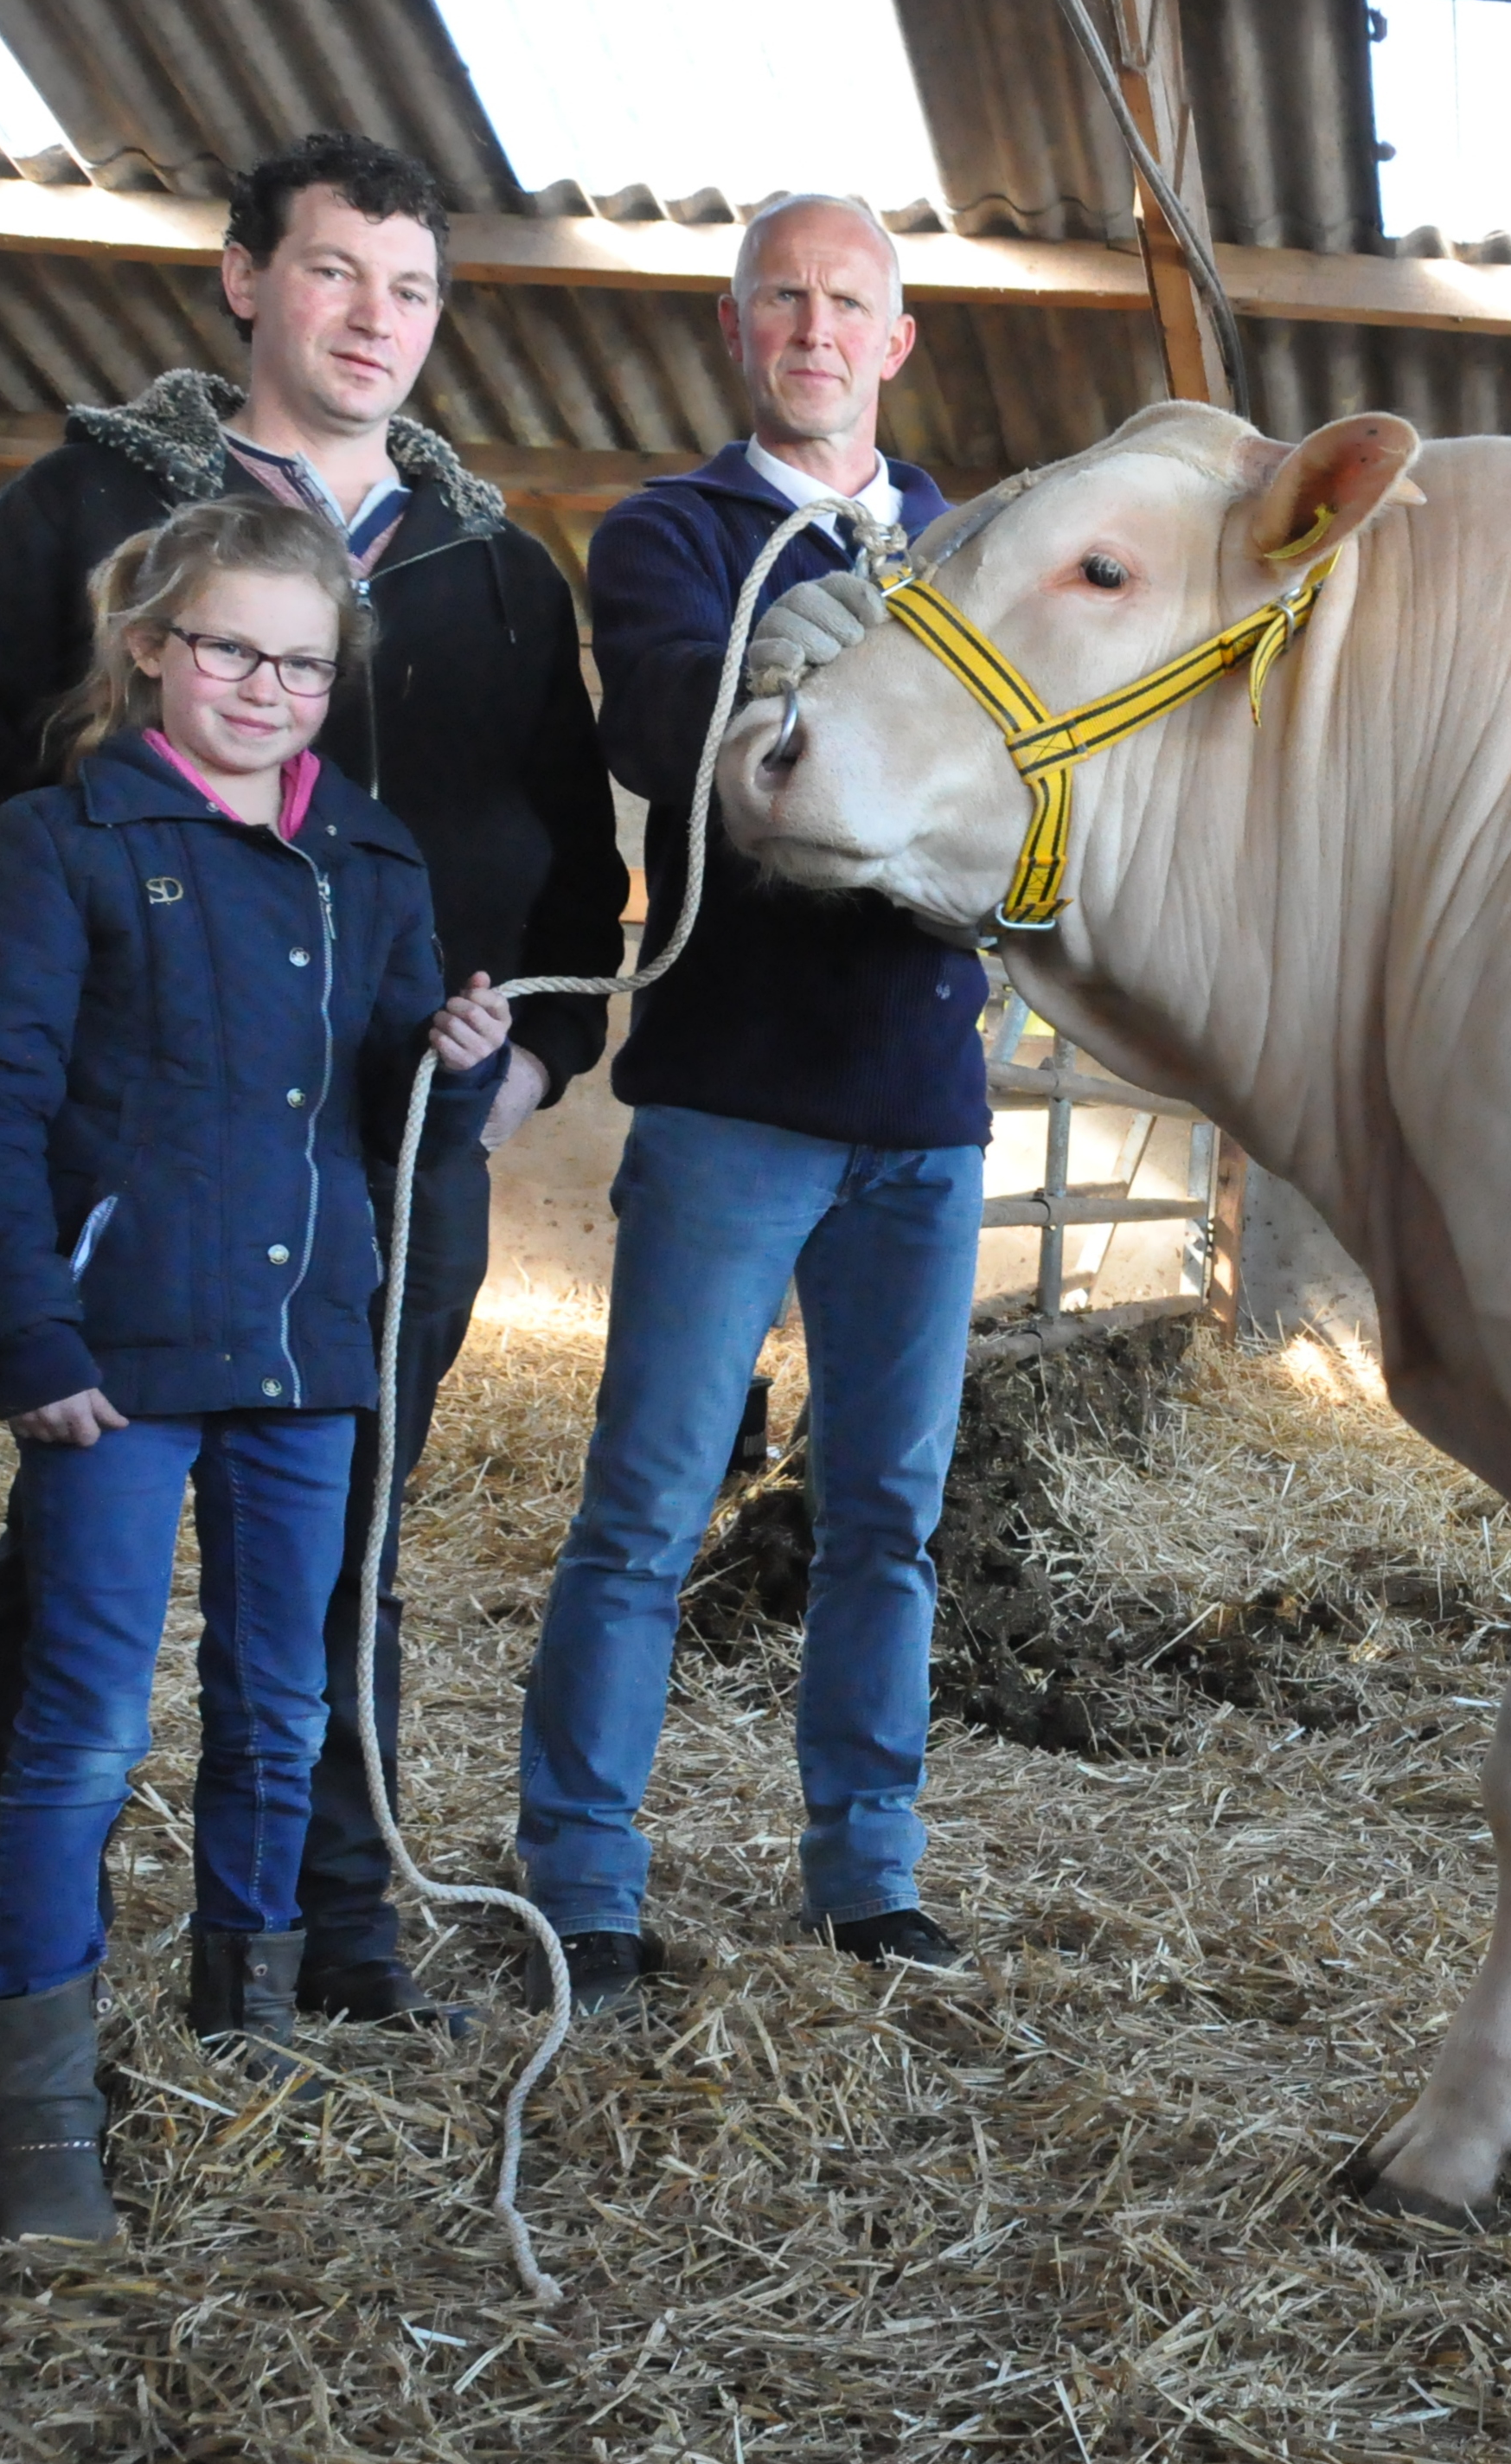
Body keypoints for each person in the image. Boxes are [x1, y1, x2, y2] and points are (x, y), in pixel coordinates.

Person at [0, 132, 628, 2032]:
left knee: (348, 1541)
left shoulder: (492, 571)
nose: (374, 318)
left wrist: (534, 1066)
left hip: (398, 1144)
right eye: (332, 272)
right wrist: (69, 1008)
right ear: (244, 282)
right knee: (76, 1559)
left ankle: (333, 1948)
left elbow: (573, 851)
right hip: (144, 1155)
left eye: (411, 287)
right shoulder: (93, 506)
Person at [0, 497, 514, 2243]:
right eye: (231, 649)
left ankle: (244, 2026)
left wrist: (459, 1066)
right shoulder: (67, 840)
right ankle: (39, 2107)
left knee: (281, 1704)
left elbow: (391, 1125)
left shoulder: (373, 859)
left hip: (306, 1347)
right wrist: (27, 1332)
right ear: (151, 649)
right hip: (115, 1359)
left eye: (303, 664)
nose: (266, 688)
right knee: (84, 1726)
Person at [512, 192, 989, 2014]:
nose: (813, 329)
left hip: (922, 1103)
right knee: (648, 1505)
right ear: (736, 330)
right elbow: (668, 738)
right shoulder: (668, 534)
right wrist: (822, 651)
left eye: (846, 301)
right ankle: (582, 1877)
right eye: (780, 298)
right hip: (731, 1095)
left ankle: (869, 1871)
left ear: (895, 339)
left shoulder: (970, 541)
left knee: (889, 1514)